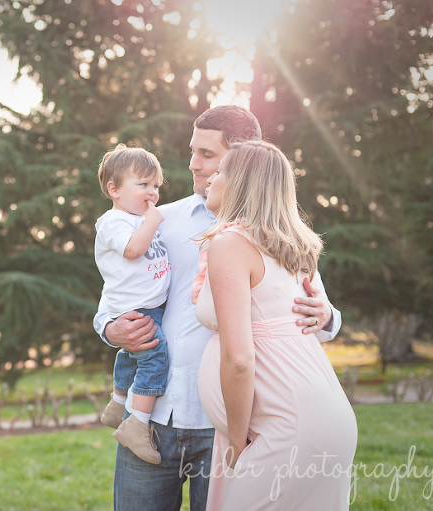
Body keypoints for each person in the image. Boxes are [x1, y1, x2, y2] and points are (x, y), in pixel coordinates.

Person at [93, 105, 342, 511]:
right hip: (153, 416)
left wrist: (326, 315)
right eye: (192, 151)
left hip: (230, 425)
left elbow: (318, 315)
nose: (192, 164)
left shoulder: (275, 233)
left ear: (242, 156)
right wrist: (108, 328)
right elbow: (117, 289)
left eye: (207, 155)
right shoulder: (158, 221)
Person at [195, 140, 357, 509]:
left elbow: (239, 359)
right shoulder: (294, 246)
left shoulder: (231, 243)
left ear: (239, 182)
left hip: (289, 427)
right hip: (322, 414)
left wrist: (236, 440)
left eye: (219, 171)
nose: (210, 178)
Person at [94, 144, 171, 465]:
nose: (152, 193)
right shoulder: (115, 221)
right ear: (114, 190)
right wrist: (152, 220)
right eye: (143, 185)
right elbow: (133, 250)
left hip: (143, 305)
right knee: (155, 359)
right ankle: (137, 424)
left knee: (130, 357)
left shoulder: (137, 218)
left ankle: (117, 404)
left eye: (155, 186)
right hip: (135, 309)